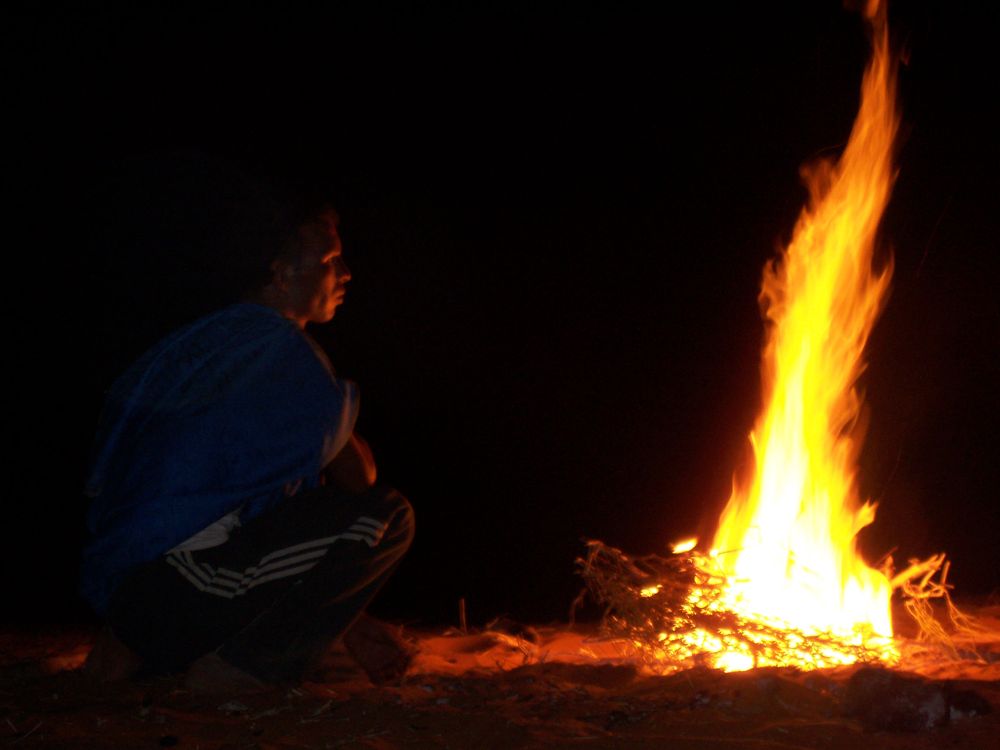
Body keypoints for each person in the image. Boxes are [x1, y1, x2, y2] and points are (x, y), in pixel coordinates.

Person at [81, 176, 414, 692]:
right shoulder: (278, 350)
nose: (345, 274)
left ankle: (133, 644)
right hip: (178, 587)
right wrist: (331, 410)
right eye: (329, 261)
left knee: (298, 514)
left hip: (130, 584)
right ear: (280, 275)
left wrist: (350, 622)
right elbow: (360, 478)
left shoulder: (204, 343)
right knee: (387, 516)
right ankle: (240, 669)